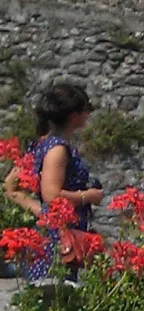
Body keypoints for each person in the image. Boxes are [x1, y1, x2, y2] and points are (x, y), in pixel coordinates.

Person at [3, 84, 103, 281]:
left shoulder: (44, 143)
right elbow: (52, 196)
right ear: (75, 115)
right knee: (56, 291)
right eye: (85, 111)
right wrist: (88, 196)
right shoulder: (57, 149)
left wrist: (42, 213)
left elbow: (11, 187)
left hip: (53, 234)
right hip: (58, 242)